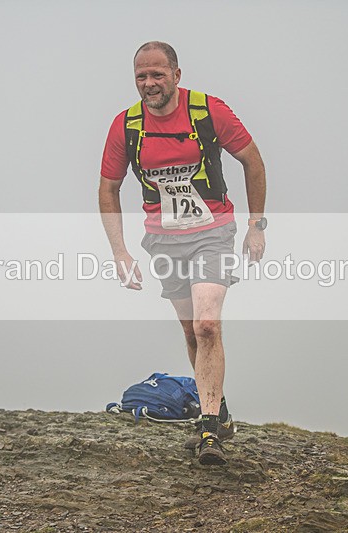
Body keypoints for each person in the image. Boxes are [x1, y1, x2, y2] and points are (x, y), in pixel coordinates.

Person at [98, 41, 267, 466]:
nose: (150, 83)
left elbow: (253, 161)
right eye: (142, 76)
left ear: (176, 74)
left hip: (213, 231)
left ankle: (208, 428)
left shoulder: (209, 111)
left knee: (208, 324)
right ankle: (219, 409)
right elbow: (108, 188)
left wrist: (255, 225)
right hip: (163, 237)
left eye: (158, 74)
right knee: (193, 332)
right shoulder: (126, 126)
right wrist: (119, 251)